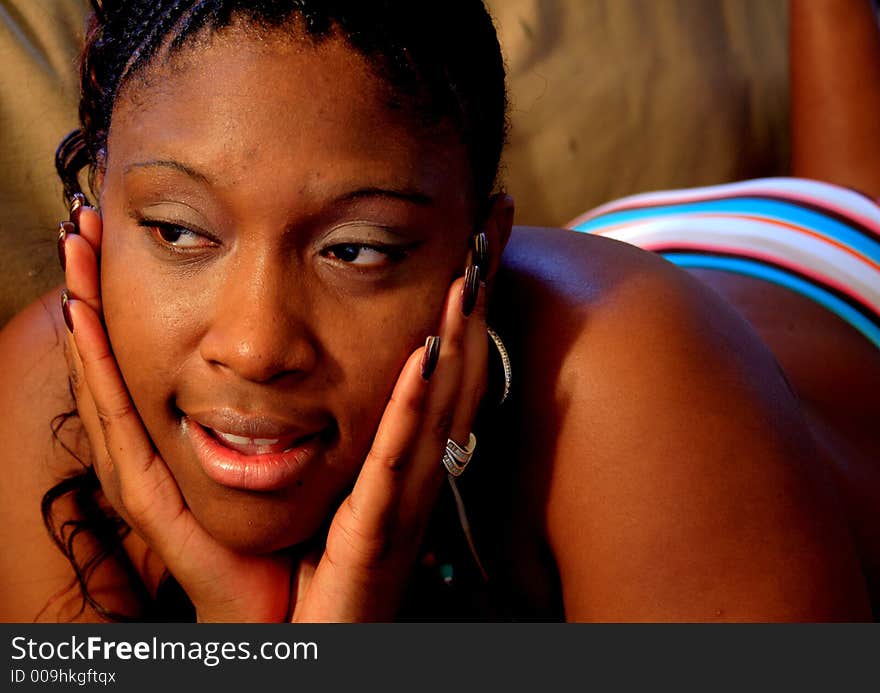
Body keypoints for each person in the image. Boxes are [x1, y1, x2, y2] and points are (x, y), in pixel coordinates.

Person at [0, 0, 874, 622]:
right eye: (179, 232)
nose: (257, 345)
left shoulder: (635, 408)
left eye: (356, 249)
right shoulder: (49, 392)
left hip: (818, 292)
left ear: (477, 254)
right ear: (100, 211)